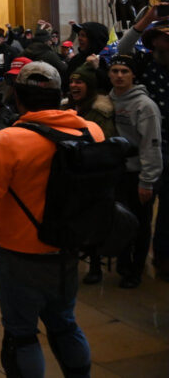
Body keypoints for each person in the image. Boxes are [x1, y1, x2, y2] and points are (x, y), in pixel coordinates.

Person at [0, 62, 97, 377]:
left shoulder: (7, 141)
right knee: (65, 323)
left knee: (21, 333)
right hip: (69, 249)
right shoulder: (90, 131)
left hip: (21, 255)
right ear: (59, 95)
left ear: (17, 97)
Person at [115, 4, 169, 278]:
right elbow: (122, 48)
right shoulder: (146, 63)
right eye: (163, 37)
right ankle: (132, 263)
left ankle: (162, 257)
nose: (166, 43)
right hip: (146, 148)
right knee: (141, 209)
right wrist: (146, 20)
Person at [107, 55, 162, 289]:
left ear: (133, 75)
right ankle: (123, 262)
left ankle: (136, 270)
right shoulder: (107, 101)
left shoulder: (144, 105)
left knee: (139, 224)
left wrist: (147, 181)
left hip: (138, 173)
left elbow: (151, 144)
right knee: (120, 221)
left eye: (125, 71)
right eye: (115, 70)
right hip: (117, 172)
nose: (119, 76)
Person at [64, 63, 116, 285]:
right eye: (72, 81)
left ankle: (95, 265)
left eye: (80, 82)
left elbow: (103, 143)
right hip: (74, 174)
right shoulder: (70, 106)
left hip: (94, 176)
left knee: (93, 222)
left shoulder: (100, 111)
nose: (74, 85)